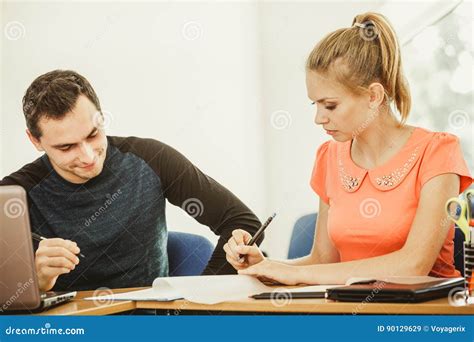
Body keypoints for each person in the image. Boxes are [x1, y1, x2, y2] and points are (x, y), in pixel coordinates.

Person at [224, 12, 472, 285]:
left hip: (422, 317)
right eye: (314, 104)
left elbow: (412, 266)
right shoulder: (329, 157)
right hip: (345, 310)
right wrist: (267, 266)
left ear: (373, 96)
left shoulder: (437, 152)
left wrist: (294, 274)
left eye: (330, 105)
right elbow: (322, 261)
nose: (319, 118)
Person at [0, 70, 262, 292]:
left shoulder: (152, 159)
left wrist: (201, 304)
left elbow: (242, 222)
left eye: (93, 135)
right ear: (35, 141)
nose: (88, 156)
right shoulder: (13, 195)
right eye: (66, 147)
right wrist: (31, 280)